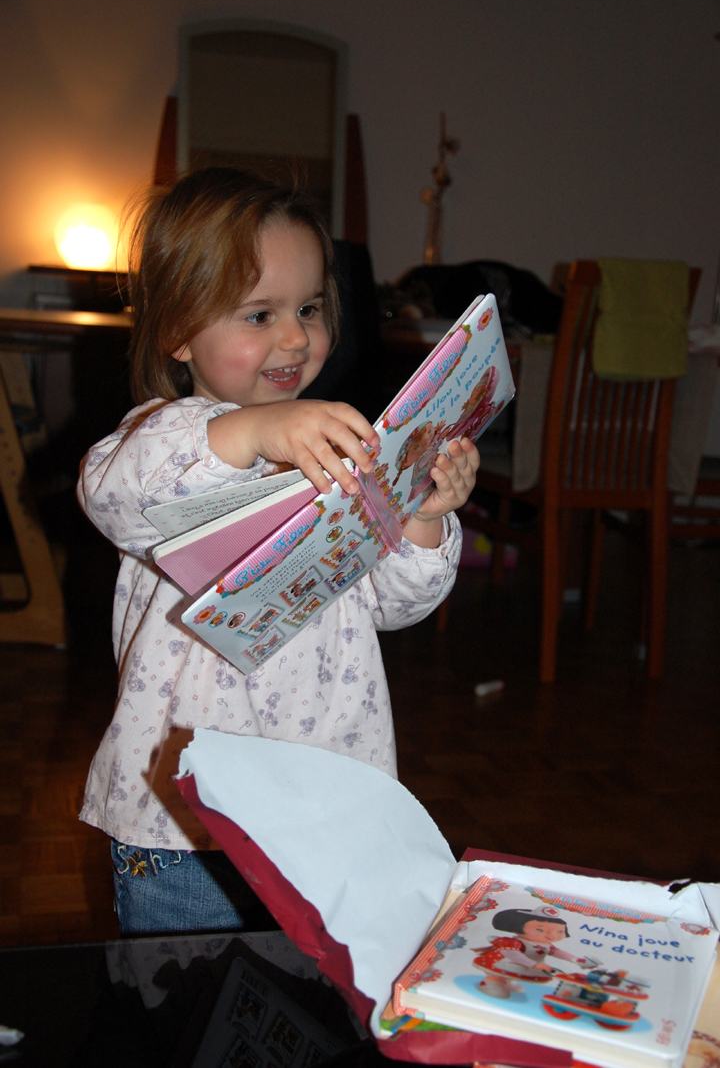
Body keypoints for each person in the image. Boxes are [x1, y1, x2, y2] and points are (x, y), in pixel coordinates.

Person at [77, 167, 480, 935]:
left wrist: (423, 518)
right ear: (178, 332)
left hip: (326, 817)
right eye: (259, 314)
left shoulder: (334, 450)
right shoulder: (165, 439)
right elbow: (112, 493)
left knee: (314, 993)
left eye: (308, 308)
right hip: (186, 831)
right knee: (186, 997)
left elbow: (396, 602)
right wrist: (258, 431)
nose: (295, 337)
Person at [472, 905, 596, 999]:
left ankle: (508, 982)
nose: (551, 935)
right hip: (501, 962)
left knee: (515, 972)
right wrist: (534, 964)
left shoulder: (547, 946)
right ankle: (490, 983)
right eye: (539, 930)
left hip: (529, 965)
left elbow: (559, 953)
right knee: (499, 973)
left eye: (559, 932)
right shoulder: (512, 942)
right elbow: (512, 955)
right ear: (518, 927)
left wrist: (575, 960)